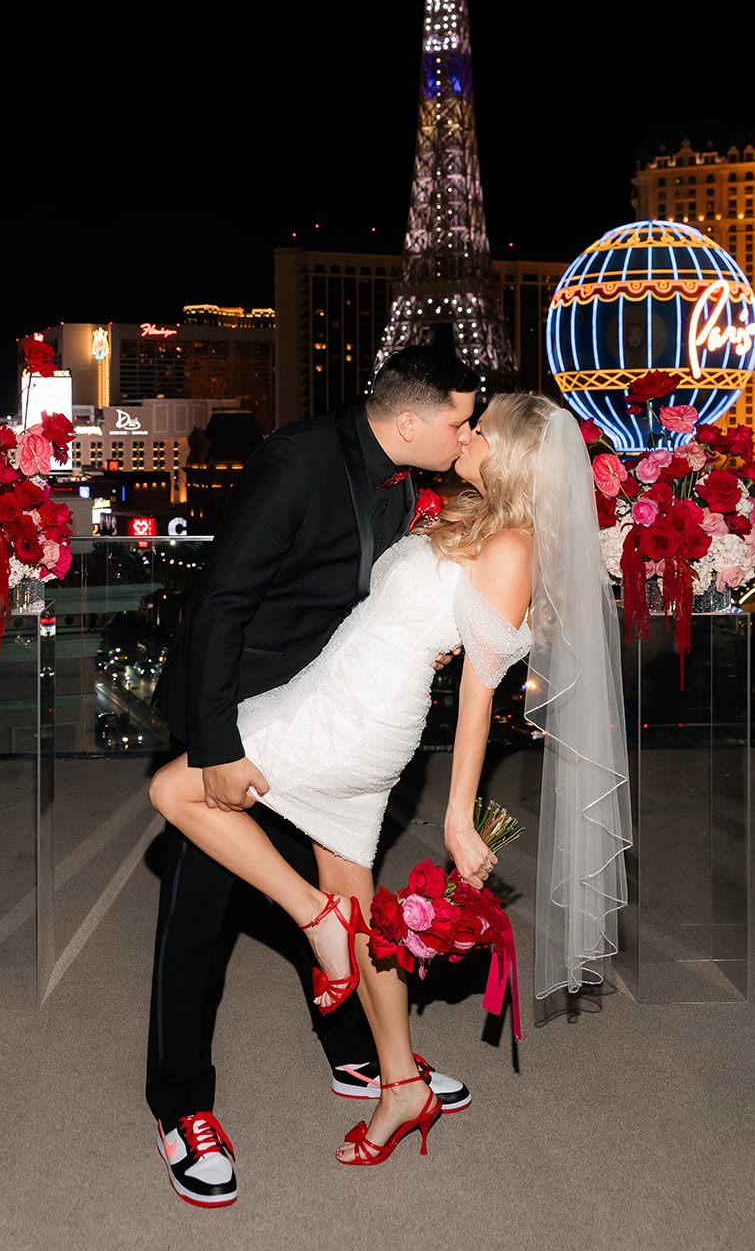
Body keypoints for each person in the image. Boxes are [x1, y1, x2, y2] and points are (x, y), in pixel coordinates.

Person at [152, 393, 631, 1175]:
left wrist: (457, 818)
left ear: (508, 456)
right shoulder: (472, 516)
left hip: (357, 715)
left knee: (176, 791)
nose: (465, 436)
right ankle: (400, 1083)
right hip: (335, 692)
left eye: (479, 431)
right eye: (463, 423)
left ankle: (312, 919)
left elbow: (480, 692)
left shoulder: (512, 544)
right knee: (363, 908)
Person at [145, 347, 480, 1208]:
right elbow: (218, 599)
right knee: (200, 919)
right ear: (409, 421)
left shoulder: (408, 475)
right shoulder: (297, 461)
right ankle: (180, 1106)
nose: (466, 433)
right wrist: (217, 746)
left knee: (336, 886)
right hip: (241, 710)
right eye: (458, 420)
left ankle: (357, 1060)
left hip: (325, 714)